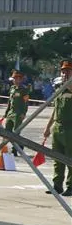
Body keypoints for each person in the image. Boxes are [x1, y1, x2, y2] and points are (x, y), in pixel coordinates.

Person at [43, 59, 72, 197]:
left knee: (70, 158)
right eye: (63, 70)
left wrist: (68, 82)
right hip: (58, 127)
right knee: (57, 158)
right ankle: (57, 185)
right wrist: (48, 127)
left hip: (70, 128)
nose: (65, 73)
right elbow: (55, 110)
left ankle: (71, 186)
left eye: (68, 70)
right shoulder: (59, 89)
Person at [3, 70, 30, 156]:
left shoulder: (24, 90)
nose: (14, 80)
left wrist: (24, 113)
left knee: (16, 132)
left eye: (15, 78)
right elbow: (9, 101)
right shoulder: (12, 88)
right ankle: (20, 145)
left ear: (20, 79)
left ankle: (15, 149)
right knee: (7, 132)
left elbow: (26, 103)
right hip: (10, 113)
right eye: (13, 78)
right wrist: (6, 112)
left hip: (18, 114)